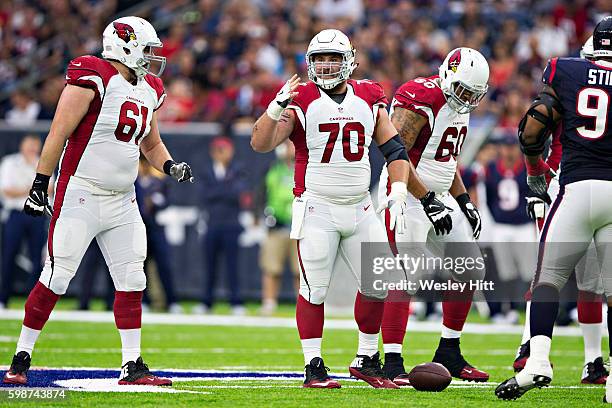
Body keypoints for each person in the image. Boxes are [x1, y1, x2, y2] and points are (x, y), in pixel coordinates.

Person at [3, 16, 194, 387]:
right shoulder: (94, 75)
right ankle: (21, 356)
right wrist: (40, 183)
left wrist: (170, 166)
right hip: (80, 193)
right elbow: (58, 132)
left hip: (123, 199)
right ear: (124, 44)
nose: (153, 57)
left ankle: (132, 364)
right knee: (56, 276)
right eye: (148, 48)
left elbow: (151, 144)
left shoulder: (149, 87)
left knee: (132, 278)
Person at [251, 29, 447, 389]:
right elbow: (261, 144)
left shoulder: (369, 96)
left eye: (332, 57)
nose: (325, 65)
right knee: (314, 290)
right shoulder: (301, 98)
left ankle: (366, 358)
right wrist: (274, 107)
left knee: (380, 283)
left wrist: (401, 189)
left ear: (349, 61)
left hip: (360, 207)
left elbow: (395, 150)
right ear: (309, 62)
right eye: (319, 58)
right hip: (317, 207)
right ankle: (313, 365)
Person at [495, 17, 612, 401]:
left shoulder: (568, 69)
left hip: (576, 186)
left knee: (547, 279)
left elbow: (533, 128)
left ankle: (538, 360)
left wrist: (533, 172)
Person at [378, 47, 490, 385]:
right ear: (447, 75)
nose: (467, 99)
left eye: (474, 94)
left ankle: (449, 352)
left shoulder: (460, 106)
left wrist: (463, 199)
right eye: (463, 91)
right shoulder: (420, 97)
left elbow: (444, 161)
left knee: (471, 269)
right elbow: (395, 154)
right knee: (407, 275)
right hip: (407, 195)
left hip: (438, 196)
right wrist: (426, 198)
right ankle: (392, 361)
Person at [484, 134, 536, 324]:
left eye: (512, 147)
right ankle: (510, 309)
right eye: (505, 147)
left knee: (529, 271)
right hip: (501, 226)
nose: (509, 151)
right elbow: (489, 197)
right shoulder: (491, 168)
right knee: (506, 272)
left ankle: (532, 310)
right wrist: (497, 216)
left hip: (523, 225)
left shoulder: (526, 168)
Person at [195, 136, 247, 315]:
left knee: (233, 266)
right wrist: (224, 188)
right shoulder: (207, 171)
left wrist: (218, 190)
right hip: (212, 224)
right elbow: (204, 194)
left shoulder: (237, 169)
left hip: (232, 224)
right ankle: (206, 302)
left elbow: (237, 193)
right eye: (219, 150)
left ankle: (236, 302)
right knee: (209, 266)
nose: (222, 154)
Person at [0, 135, 49, 309]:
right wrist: (34, 188)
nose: (32, 149)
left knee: (38, 259)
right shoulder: (9, 163)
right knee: (9, 255)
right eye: (29, 145)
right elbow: (7, 191)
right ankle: (3, 298)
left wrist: (26, 189)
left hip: (37, 215)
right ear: (22, 146)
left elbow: (51, 189)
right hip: (16, 214)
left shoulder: (44, 162)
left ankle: (34, 302)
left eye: (35, 146)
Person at [136, 155, 183, 314]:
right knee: (141, 267)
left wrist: (155, 202)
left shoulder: (159, 182)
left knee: (164, 265)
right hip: (139, 228)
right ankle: (144, 300)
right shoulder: (134, 182)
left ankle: (171, 300)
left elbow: (167, 201)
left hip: (156, 228)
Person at [258, 140, 299, 316]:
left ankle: (304, 304)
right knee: (271, 267)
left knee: (302, 271)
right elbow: (261, 192)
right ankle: (269, 302)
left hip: (301, 225)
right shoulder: (273, 168)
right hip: (278, 225)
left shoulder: (309, 167)